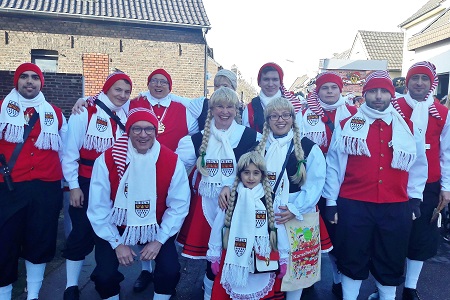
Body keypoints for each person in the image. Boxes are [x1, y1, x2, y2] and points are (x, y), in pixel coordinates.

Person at [323, 70, 427, 300]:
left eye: (383, 91)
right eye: (372, 91)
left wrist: (415, 198)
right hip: (353, 204)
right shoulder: (346, 124)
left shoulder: (408, 127)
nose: (378, 96)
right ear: (365, 93)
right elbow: (334, 165)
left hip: (396, 205)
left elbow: (419, 165)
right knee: (351, 256)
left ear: (391, 94)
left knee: (390, 258)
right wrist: (331, 202)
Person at [87, 107, 190, 300]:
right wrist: (117, 243)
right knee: (104, 274)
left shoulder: (171, 160)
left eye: (149, 129)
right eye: (136, 129)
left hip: (155, 224)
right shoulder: (108, 160)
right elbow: (98, 207)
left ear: (155, 131)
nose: (143, 135)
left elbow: (178, 205)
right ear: (128, 131)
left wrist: (159, 240)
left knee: (170, 269)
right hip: (116, 225)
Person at [175, 87, 260, 299]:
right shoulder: (195, 140)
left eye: (229, 106)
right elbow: (175, 171)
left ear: (236, 109)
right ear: (211, 109)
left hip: (238, 204)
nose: (224, 111)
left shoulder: (250, 137)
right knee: (210, 258)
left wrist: (230, 184)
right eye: (219, 106)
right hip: (204, 206)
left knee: (233, 251)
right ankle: (210, 293)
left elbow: (258, 170)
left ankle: (227, 291)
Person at [61, 71, 132, 299]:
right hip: (86, 183)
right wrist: (73, 185)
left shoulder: (129, 114)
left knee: (109, 234)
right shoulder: (85, 112)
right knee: (80, 234)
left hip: (116, 186)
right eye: (117, 89)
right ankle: (71, 286)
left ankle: (107, 279)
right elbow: (70, 152)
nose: (122, 95)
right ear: (107, 88)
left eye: (126, 91)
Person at [0, 63, 67, 300]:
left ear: (41, 82)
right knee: (4, 243)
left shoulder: (56, 113)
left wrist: (69, 183)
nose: (30, 81)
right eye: (24, 77)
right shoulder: (1, 109)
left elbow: (65, 152)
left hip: (45, 187)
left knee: (39, 240)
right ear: (16, 82)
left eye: (35, 77)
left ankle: (34, 294)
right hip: (8, 188)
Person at [254, 97, 326, 300]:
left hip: (297, 213)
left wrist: (295, 208)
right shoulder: (258, 146)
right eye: (274, 116)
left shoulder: (309, 148)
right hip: (267, 213)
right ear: (267, 120)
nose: (280, 120)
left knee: (297, 266)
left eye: (286, 115)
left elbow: (315, 184)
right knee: (267, 263)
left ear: (293, 119)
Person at [390, 61, 450, 300]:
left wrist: (446, 187)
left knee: (421, 236)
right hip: (395, 182)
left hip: (428, 184)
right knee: (392, 236)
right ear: (407, 81)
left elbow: (446, 153)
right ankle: (386, 285)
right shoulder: (393, 107)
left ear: (431, 83)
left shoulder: (443, 113)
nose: (419, 83)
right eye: (415, 78)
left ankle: (410, 288)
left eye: (424, 79)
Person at [301, 71, 358, 298]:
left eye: (334, 88)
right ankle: (306, 279)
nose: (330, 92)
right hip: (312, 185)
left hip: (342, 186)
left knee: (338, 238)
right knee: (309, 235)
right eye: (325, 88)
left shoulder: (355, 113)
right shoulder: (305, 114)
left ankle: (337, 280)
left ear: (340, 90)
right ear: (318, 91)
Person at [206, 151, 287, 299]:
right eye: (246, 173)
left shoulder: (271, 198)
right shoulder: (231, 197)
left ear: (262, 175)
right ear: (239, 175)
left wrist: (283, 257)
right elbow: (218, 227)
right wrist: (214, 255)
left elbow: (278, 227)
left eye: (256, 173)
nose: (251, 178)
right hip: (233, 254)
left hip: (262, 257)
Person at [242, 62, 302, 133]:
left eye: (275, 79)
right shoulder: (250, 109)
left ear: (280, 83)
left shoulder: (293, 105)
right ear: (259, 82)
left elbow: (299, 134)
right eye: (266, 79)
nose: (270, 84)